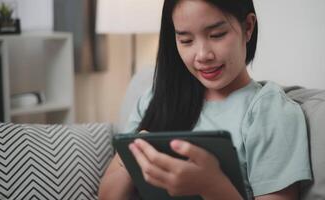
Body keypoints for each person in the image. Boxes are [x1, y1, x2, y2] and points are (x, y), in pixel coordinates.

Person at [99, 0, 312, 199]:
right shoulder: (155, 99)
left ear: (248, 27)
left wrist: (211, 185)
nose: (202, 55)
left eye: (217, 35)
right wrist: (132, 157)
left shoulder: (269, 111)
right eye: (186, 40)